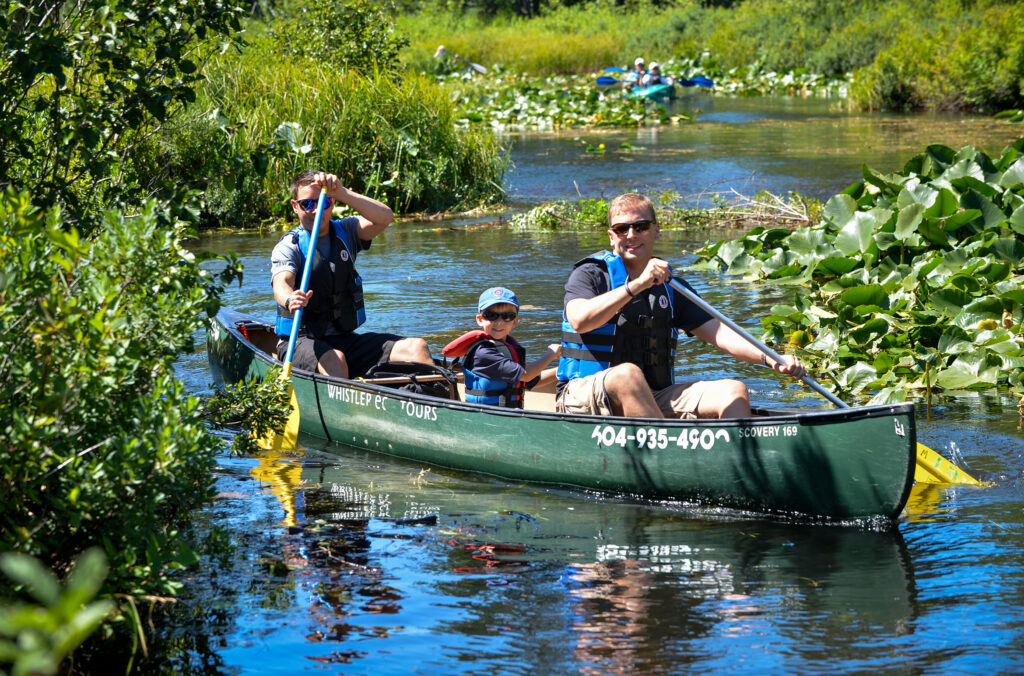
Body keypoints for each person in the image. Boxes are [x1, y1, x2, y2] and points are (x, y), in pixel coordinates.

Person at [555, 193, 806, 419]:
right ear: (612, 237)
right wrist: (638, 284)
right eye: (622, 229)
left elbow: (722, 334)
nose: (631, 235)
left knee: (733, 390)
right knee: (627, 375)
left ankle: (739, 462)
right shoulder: (589, 274)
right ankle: (670, 460)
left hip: (652, 395)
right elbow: (580, 319)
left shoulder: (672, 288)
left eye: (640, 226)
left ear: (656, 230)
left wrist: (771, 359)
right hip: (583, 396)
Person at [271, 170, 433, 378]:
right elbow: (281, 282)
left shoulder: (346, 232)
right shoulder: (288, 247)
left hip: (343, 339)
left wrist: (342, 193)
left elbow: (385, 218)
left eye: (323, 203)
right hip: (299, 340)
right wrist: (290, 298)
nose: (315, 210)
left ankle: (435, 399)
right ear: (295, 206)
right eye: (307, 204)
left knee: (416, 347)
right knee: (335, 360)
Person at [442, 287, 560, 408]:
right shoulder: (483, 352)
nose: (499, 322)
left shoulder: (509, 346)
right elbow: (526, 375)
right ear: (480, 320)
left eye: (507, 316)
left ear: (515, 321)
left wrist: (560, 370)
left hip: (510, 414)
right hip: (484, 417)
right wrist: (551, 353)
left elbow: (528, 381)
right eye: (491, 315)